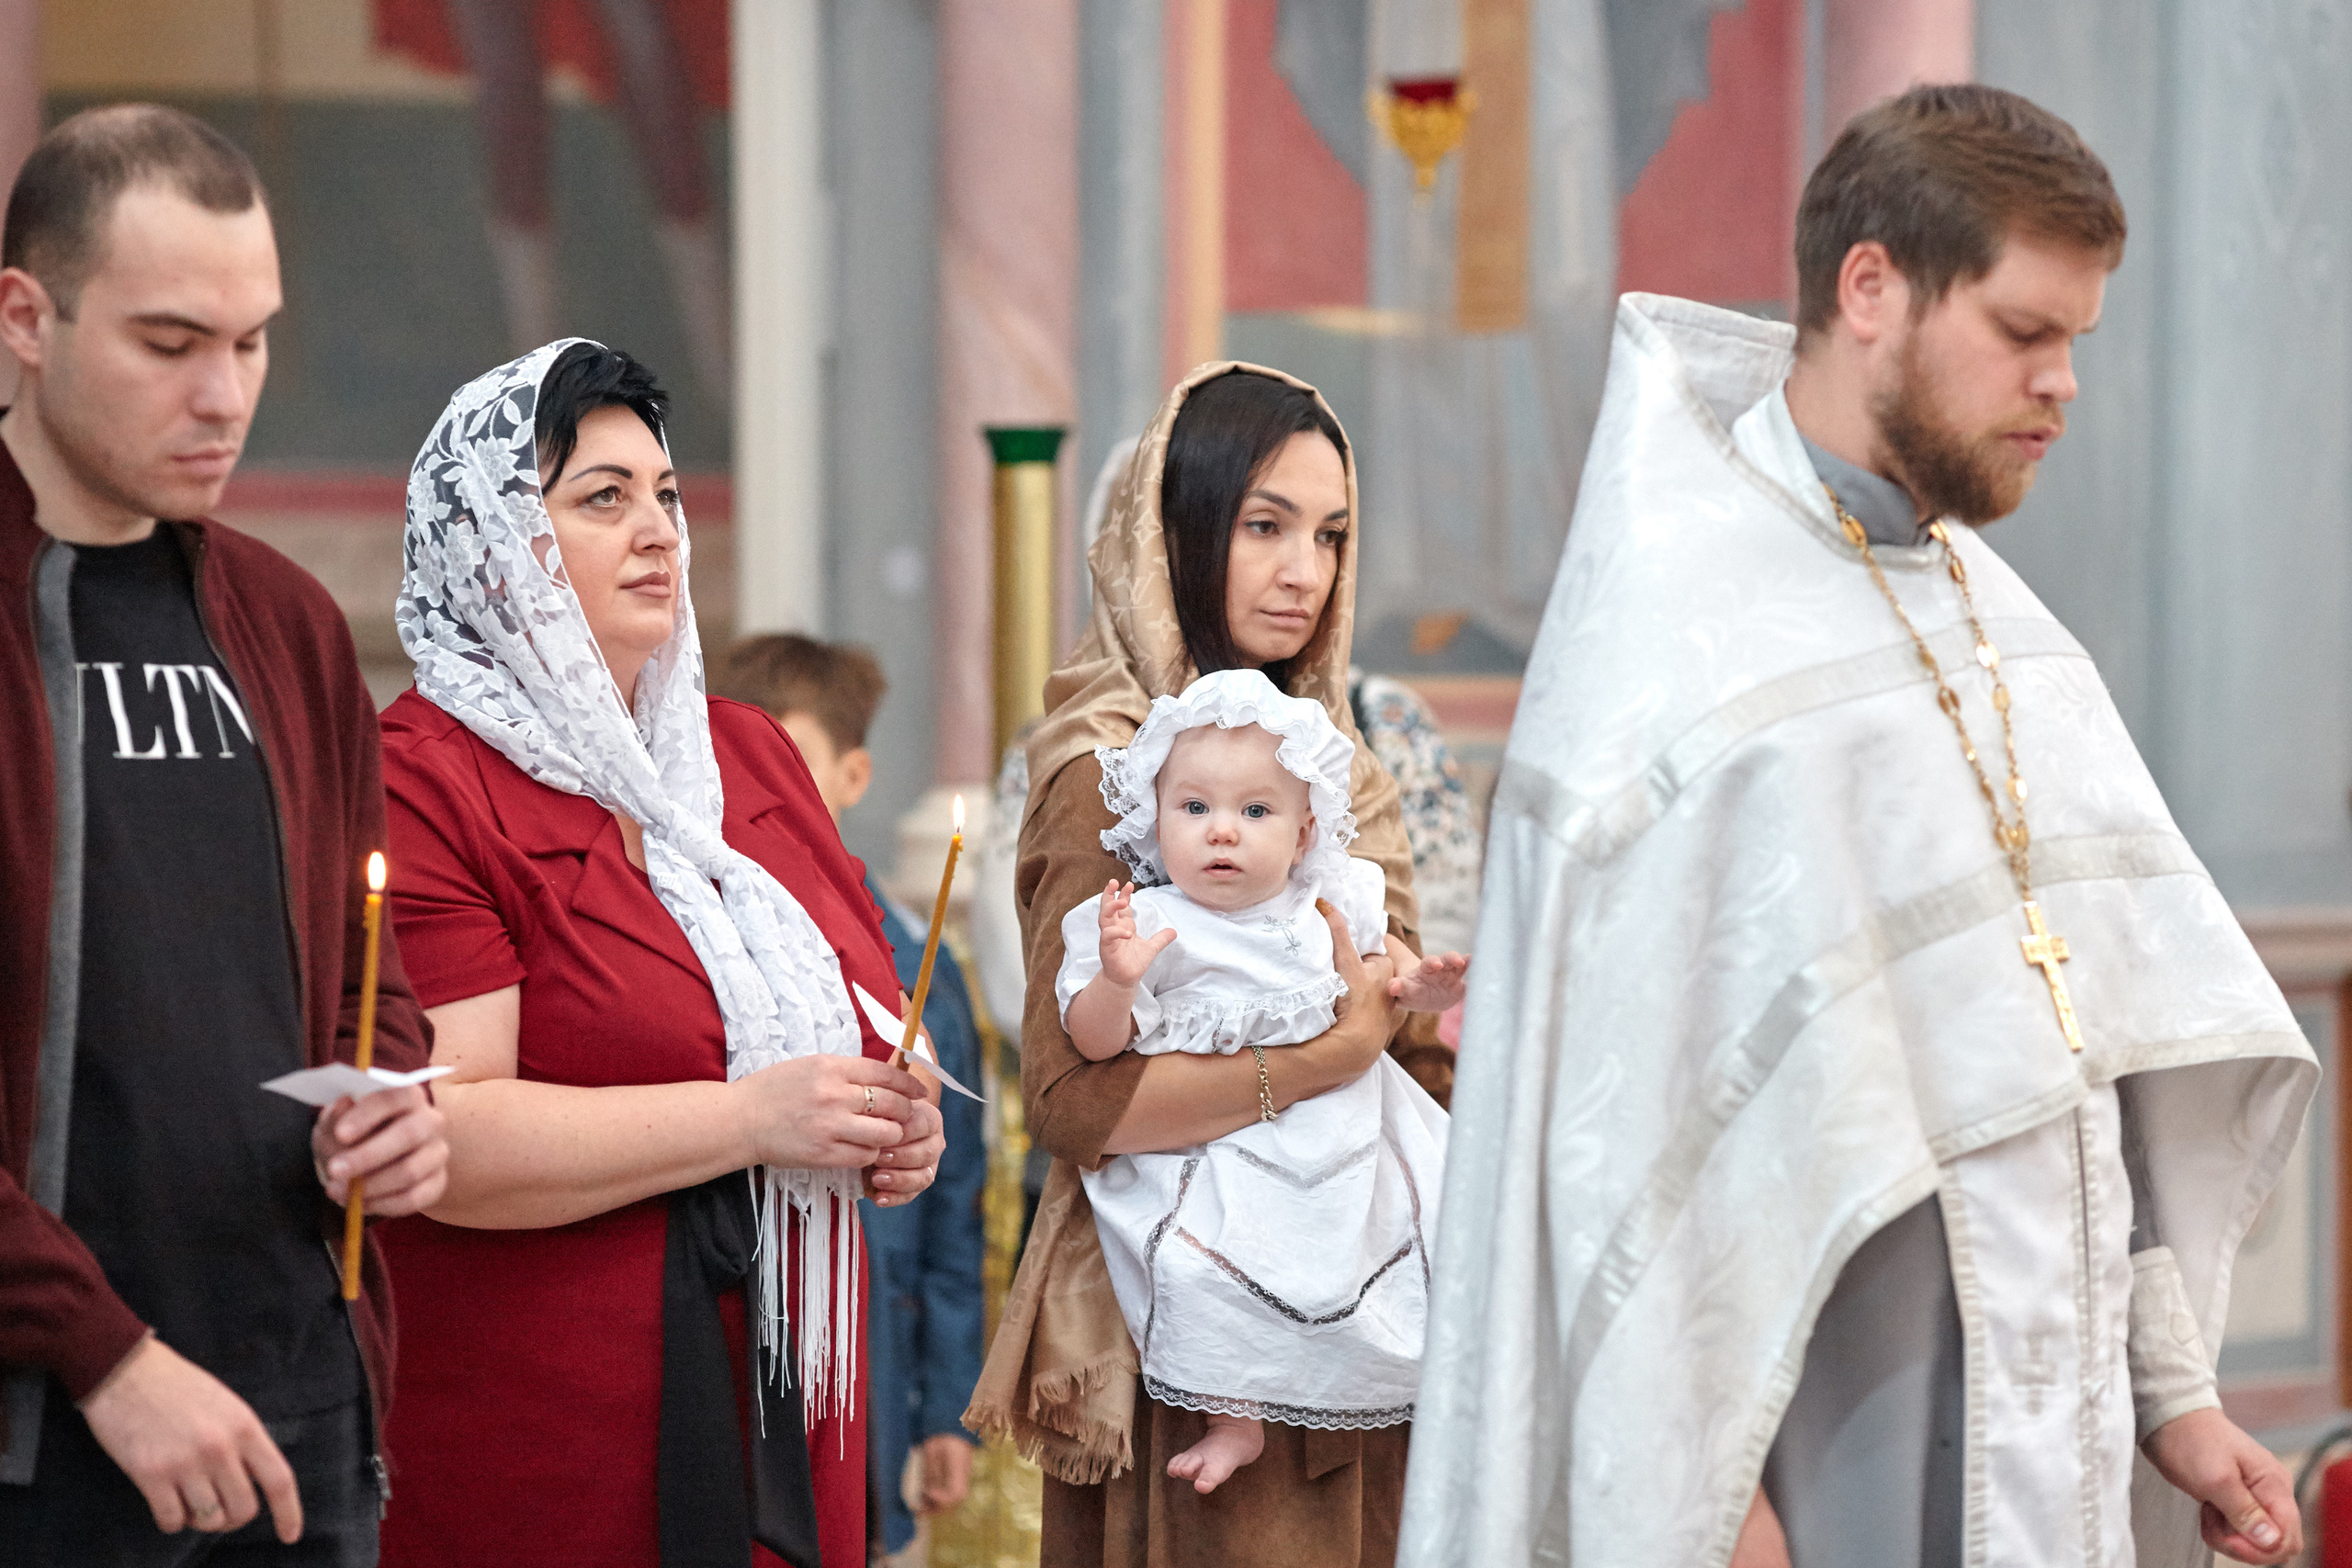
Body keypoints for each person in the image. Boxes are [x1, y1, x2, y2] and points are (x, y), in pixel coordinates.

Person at [1399, 85, 2320, 1568]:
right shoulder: (1674, 660)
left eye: (2078, 337)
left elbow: (2086, 1074)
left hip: (2040, 1442)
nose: (2064, 383)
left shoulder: (2002, 630)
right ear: (1873, 287)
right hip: (1824, 1457)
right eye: (2026, 332)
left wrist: (2170, 1395)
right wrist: (1712, 1518)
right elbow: (1617, 1176)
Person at [372, 341, 943, 1568]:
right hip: (555, 1431)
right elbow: (447, 1135)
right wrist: (751, 1117)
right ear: (500, 546)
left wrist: (901, 1110)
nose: (658, 532)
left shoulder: (751, 755)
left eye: (668, 496)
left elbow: (866, 1004)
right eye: (602, 497)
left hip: (796, 1394)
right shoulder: (425, 776)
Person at [0, 105, 450, 1562]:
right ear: (25, 315)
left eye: (251, 343)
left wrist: (391, 1101)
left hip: (298, 1402)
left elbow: (360, 976)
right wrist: (103, 1355)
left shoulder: (287, 621)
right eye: (172, 342)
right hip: (51, 1420)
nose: (226, 395)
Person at [966, 363, 1428, 1568]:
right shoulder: (1109, 765)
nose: (1304, 571)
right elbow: (1079, 1103)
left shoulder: (1341, 770)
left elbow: (1410, 1042)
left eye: (1330, 535)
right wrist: (1332, 1055)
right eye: (1264, 525)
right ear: (1178, 531)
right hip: (1185, 1347)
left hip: (1370, 1319)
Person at [1057, 670, 1461, 1495]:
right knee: (1200, 1264)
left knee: (1430, 1226)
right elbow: (1092, 1047)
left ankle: (1433, 1380)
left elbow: (1395, 977)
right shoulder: (1151, 924)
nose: (1223, 834)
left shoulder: (1331, 899)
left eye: (1255, 811)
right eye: (1194, 808)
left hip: (1352, 1134)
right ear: (1154, 816)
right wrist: (1117, 982)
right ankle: (1233, 1415)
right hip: (1220, 1146)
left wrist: (1426, 988)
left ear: (1306, 830)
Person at [709, 632, 987, 1565]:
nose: (760, 787)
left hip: (877, 1367)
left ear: (855, 773)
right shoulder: (695, 926)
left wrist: (947, 1406)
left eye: (789, 761)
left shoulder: (912, 953)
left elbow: (956, 1208)